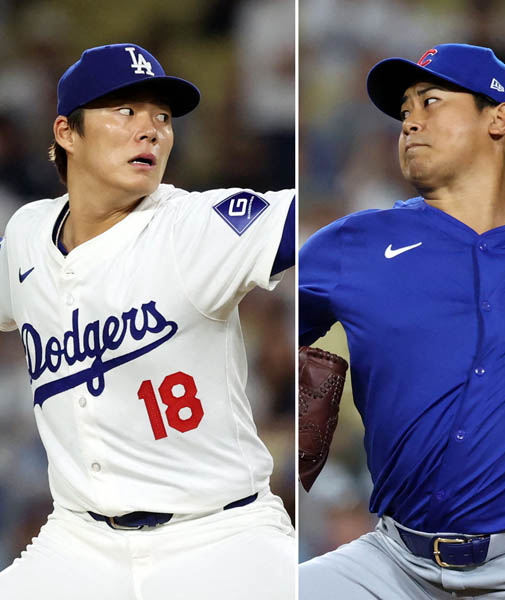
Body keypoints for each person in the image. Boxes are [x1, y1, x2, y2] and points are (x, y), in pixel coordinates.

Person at [298, 43, 505, 599]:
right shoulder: (353, 244)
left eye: (430, 101)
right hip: (396, 564)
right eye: (405, 110)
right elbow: (235, 334)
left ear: (498, 118)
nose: (410, 121)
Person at [0, 43, 295, 599]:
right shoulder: (27, 235)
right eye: (125, 111)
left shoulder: (192, 226)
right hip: (78, 543)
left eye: (162, 117)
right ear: (66, 132)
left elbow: (311, 226)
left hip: (221, 537)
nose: (151, 130)